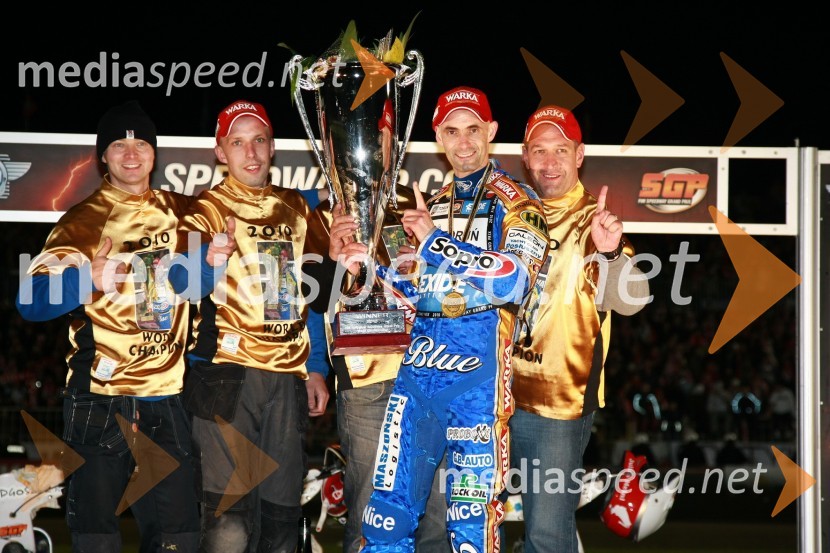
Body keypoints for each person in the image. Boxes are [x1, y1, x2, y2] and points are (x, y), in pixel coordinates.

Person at [330, 86, 549, 552]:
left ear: (490, 132)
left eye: (473, 129)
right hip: (419, 372)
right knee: (386, 515)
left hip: (477, 381)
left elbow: (514, 281)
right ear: (439, 138)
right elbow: (418, 296)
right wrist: (366, 270)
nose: (463, 142)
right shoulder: (430, 202)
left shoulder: (519, 201)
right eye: (452, 131)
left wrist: (436, 243)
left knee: (470, 525)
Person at [15, 101, 201, 552]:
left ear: (155, 153)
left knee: (179, 536)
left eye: (141, 143)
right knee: (95, 535)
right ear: (103, 155)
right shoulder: (81, 220)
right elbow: (29, 301)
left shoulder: (187, 213)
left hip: (167, 397)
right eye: (119, 143)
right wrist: (85, 279)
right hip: (98, 398)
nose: (131, 152)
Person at [174, 99, 329, 553]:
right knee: (230, 521)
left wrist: (316, 366)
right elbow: (181, 283)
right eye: (238, 143)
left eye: (258, 140)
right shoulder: (205, 208)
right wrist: (206, 262)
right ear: (221, 152)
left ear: (273, 146)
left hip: (286, 380)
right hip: (226, 376)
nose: (251, 153)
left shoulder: (297, 207)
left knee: (282, 522)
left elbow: (313, 298)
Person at [509, 104, 650, 553]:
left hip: (558, 406)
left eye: (560, 150)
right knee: (474, 526)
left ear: (580, 154)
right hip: (490, 397)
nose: (550, 162)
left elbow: (632, 300)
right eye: (539, 151)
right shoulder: (508, 213)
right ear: (525, 157)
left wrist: (609, 254)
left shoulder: (595, 220)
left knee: (547, 537)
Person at [303, 187, 451, 553]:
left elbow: (455, 293)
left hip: (429, 372)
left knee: (437, 510)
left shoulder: (422, 207)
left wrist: (427, 259)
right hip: (363, 375)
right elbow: (314, 299)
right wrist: (315, 366)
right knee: (370, 509)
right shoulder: (323, 215)